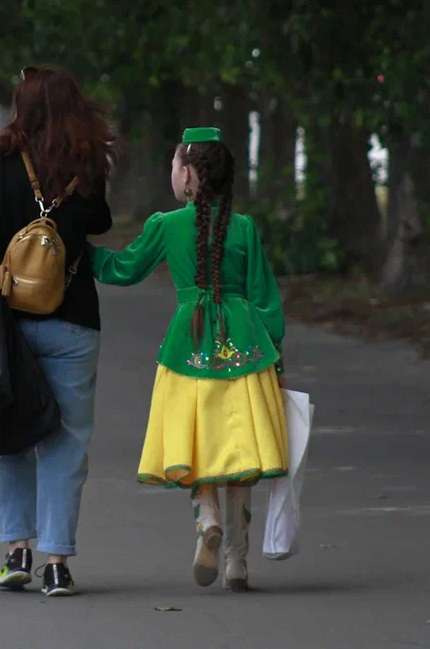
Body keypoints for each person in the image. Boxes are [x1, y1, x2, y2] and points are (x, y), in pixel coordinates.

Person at [0, 65, 114, 597]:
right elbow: (98, 225)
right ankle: (57, 563)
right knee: (66, 441)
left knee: (7, 435)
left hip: (1, 326)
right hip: (73, 319)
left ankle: (17, 552)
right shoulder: (88, 164)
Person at [90, 127, 289, 592]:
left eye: (174, 166)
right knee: (242, 454)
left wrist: (80, 253)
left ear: (189, 176)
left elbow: (124, 268)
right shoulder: (244, 228)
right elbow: (266, 300)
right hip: (247, 348)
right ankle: (237, 562)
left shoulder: (166, 224)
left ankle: (207, 518)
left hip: (188, 348)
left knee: (197, 442)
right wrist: (276, 361)